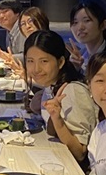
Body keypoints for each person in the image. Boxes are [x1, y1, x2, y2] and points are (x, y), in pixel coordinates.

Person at [24, 31, 98, 164]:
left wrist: (57, 119)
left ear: (60, 62)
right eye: (30, 61)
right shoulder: (51, 86)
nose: (36, 69)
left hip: (75, 169)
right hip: (56, 157)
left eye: (44, 61)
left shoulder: (72, 91)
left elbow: (80, 153)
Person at [67, 2, 106, 73]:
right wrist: (75, 69)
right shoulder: (80, 56)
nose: (80, 27)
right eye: (75, 22)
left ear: (103, 25)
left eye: (87, 20)